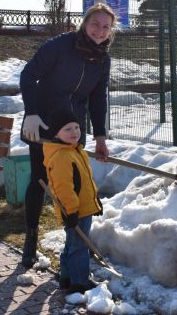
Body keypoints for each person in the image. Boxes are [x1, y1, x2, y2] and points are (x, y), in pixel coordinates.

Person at [19, 2, 115, 268]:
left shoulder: (103, 59)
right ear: (84, 23)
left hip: (74, 130)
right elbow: (28, 76)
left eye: (106, 27)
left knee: (75, 187)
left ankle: (72, 252)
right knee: (40, 180)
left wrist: (100, 137)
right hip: (44, 125)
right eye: (95, 23)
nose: (100, 30)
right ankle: (30, 238)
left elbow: (98, 97)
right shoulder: (60, 45)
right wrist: (32, 112)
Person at [43, 107, 103, 294]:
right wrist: (71, 211)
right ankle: (79, 283)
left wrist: (96, 201)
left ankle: (67, 276)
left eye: (76, 127)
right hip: (75, 210)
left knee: (72, 242)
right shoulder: (61, 156)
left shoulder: (75, 151)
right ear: (56, 133)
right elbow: (63, 188)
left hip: (83, 207)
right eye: (67, 129)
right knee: (79, 246)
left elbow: (86, 181)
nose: (74, 132)